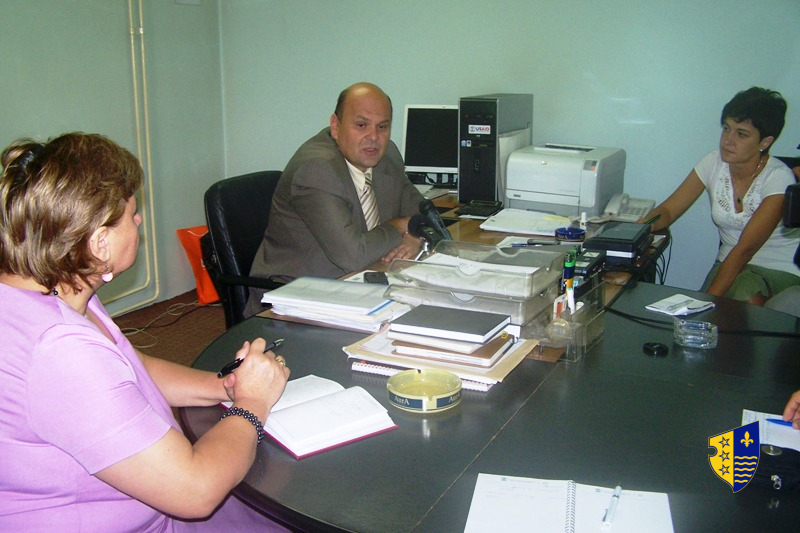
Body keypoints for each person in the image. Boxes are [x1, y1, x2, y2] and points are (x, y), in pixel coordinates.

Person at [0, 133, 290, 531]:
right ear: (99, 243)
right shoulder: (59, 351)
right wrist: (252, 402)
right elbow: (195, 492)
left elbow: (128, 368)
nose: (139, 221)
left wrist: (223, 385)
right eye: (132, 213)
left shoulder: (51, 287)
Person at [245, 82, 425, 317]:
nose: (374, 137)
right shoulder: (317, 169)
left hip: (364, 285)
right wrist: (401, 225)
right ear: (336, 126)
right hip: (297, 300)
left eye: (382, 126)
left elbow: (424, 212)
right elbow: (354, 256)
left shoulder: (386, 154)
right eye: (361, 125)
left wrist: (414, 236)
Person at [642, 87, 800, 305]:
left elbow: (745, 250)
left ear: (764, 142)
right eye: (726, 128)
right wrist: (641, 227)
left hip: (776, 269)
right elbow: (668, 210)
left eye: (741, 134)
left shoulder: (779, 177)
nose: (728, 140)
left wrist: (705, 303)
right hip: (728, 263)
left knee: (743, 295)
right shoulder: (712, 162)